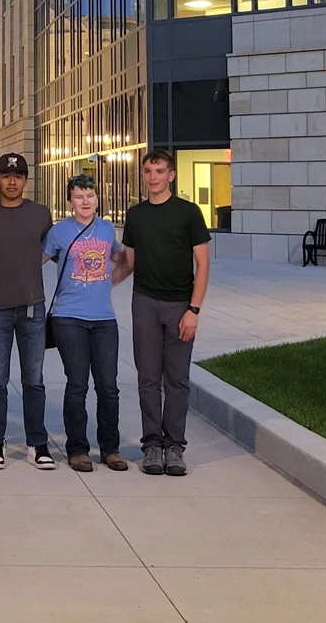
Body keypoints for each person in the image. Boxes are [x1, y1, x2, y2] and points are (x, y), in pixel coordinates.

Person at [121, 148, 211, 477]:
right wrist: (96, 283)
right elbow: (128, 262)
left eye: (159, 171)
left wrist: (193, 310)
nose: (153, 177)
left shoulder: (188, 213)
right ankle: (151, 446)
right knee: (147, 379)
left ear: (171, 175)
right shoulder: (136, 215)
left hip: (178, 305)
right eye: (148, 171)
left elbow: (203, 264)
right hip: (144, 302)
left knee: (176, 379)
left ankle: (175, 447)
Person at [0, 152, 55, 470]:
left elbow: (55, 249)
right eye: (6, 176)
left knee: (34, 379)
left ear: (25, 180)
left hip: (33, 307)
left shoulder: (40, 214)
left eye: (18, 176)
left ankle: (38, 443)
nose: (12, 181)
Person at [44, 174, 130, 473]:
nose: (85, 201)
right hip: (69, 317)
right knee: (77, 385)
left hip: (104, 319)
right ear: (70, 200)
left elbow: (123, 261)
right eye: (79, 196)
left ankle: (111, 449)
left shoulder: (106, 229)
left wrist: (108, 283)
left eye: (90, 196)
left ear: (97, 199)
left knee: (108, 387)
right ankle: (78, 449)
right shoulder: (59, 232)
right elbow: (33, 261)